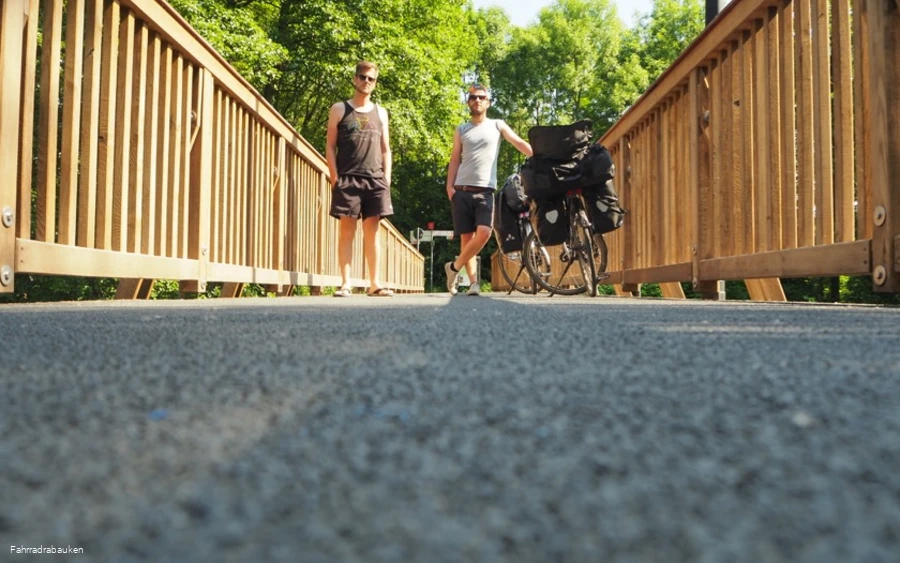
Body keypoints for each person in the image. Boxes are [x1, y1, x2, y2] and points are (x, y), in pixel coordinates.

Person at [445, 84, 533, 295]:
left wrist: (537, 155)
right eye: (473, 97)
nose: (477, 100)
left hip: (485, 191)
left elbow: (518, 142)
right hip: (462, 189)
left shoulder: (497, 124)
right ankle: (474, 283)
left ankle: (453, 268)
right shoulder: (462, 129)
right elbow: (455, 159)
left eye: (481, 97)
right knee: (467, 240)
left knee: (483, 233)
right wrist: (449, 186)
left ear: (488, 102)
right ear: (468, 102)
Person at [325, 61, 394, 297]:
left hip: (375, 179)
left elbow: (386, 149)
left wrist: (387, 178)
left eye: (371, 79)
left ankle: (374, 283)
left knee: (372, 232)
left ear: (375, 84)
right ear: (355, 79)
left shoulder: (380, 112)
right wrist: (335, 177)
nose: (366, 82)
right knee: (347, 232)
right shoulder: (339, 109)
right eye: (362, 77)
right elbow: (330, 145)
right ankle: (345, 283)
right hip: (348, 179)